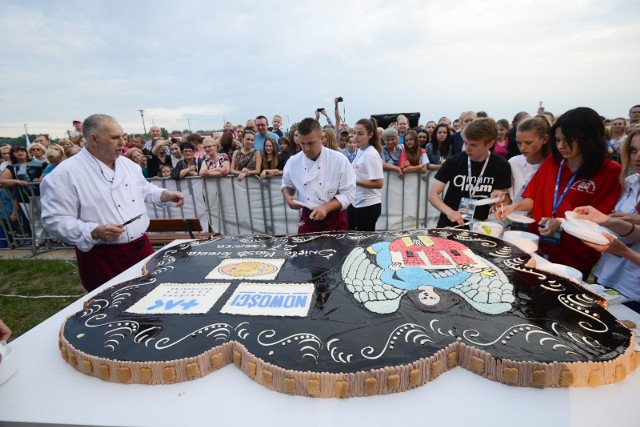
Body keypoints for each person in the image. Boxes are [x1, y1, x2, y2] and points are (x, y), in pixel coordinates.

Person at [40, 114, 184, 292]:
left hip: (141, 249)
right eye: (115, 138)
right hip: (102, 258)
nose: (122, 142)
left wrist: (166, 195)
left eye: (122, 136)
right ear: (94, 139)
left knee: (151, 296)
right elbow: (54, 220)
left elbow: (144, 189)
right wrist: (94, 231)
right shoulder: (64, 174)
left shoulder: (128, 165)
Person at [496, 107, 621, 278]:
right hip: (538, 243)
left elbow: (599, 218)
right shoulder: (552, 162)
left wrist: (561, 221)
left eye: (568, 140)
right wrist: (514, 207)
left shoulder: (609, 171)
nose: (561, 146)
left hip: (574, 254)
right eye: (557, 140)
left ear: (587, 138)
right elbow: (533, 197)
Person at [428, 118, 512, 228]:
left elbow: (504, 200)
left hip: (481, 227)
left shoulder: (502, 165)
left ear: (490, 143)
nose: (467, 148)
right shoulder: (454, 161)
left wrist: (500, 200)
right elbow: (432, 194)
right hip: (450, 225)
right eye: (465, 142)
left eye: (473, 145)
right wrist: (449, 212)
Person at [281, 118, 355, 234]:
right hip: (308, 217)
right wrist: (288, 196)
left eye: (310, 143)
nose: (306, 149)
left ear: (321, 139)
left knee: (339, 251)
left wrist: (325, 208)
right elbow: (287, 184)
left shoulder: (339, 160)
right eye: (302, 143)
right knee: (305, 251)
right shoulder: (293, 161)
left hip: (334, 218)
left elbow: (348, 193)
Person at [348, 118, 384, 231]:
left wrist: (354, 180)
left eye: (360, 133)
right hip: (357, 203)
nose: (356, 136)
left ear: (370, 134)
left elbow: (379, 183)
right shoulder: (360, 151)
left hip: (368, 205)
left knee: (365, 242)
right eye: (355, 133)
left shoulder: (371, 154)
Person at [507, 115, 552, 204]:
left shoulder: (552, 166)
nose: (522, 148)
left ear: (544, 139)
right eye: (519, 143)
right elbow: (508, 193)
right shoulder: (513, 162)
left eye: (528, 143)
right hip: (513, 215)